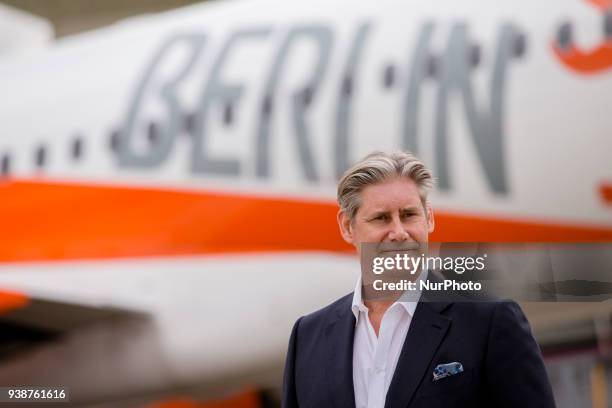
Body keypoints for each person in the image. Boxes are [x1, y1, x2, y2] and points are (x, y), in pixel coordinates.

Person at [281, 151, 556, 408]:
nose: (399, 232)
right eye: (381, 218)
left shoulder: (490, 321)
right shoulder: (308, 337)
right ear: (346, 226)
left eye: (409, 215)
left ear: (429, 219)